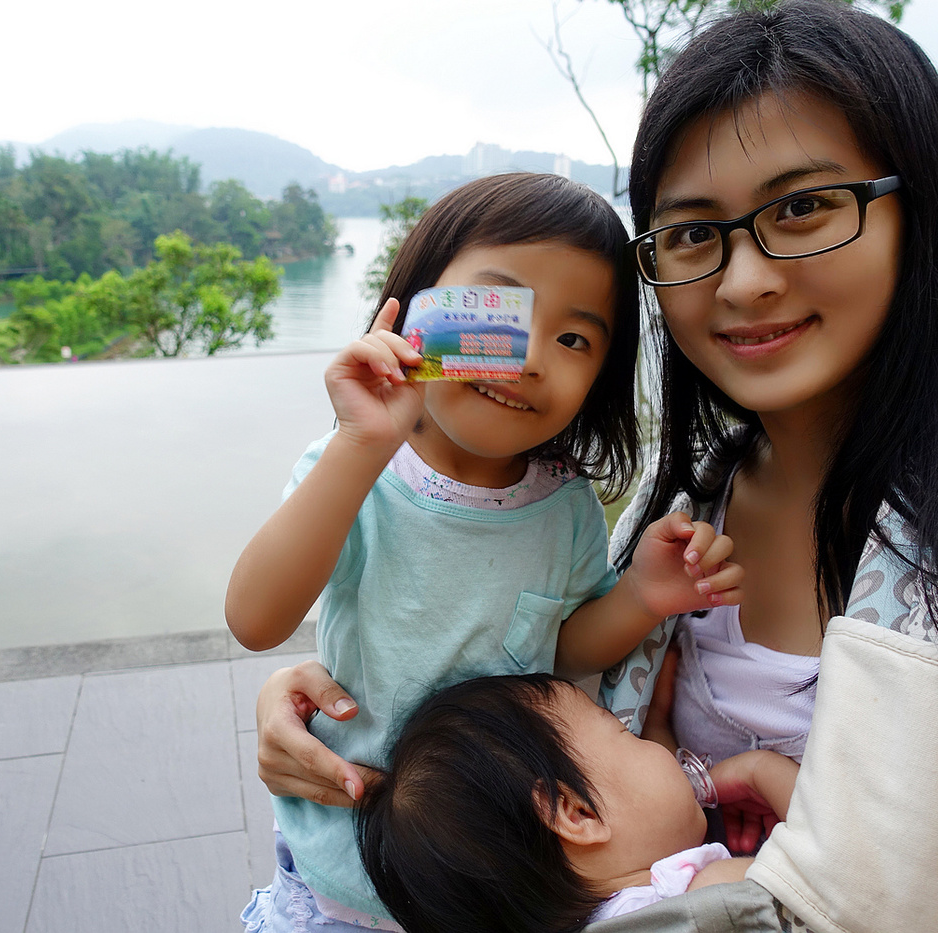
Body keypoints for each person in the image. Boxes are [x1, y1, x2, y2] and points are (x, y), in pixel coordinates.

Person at [251, 4, 938, 932]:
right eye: (694, 233)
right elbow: (541, 681)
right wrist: (352, 690)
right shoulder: (688, 502)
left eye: (804, 207)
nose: (742, 281)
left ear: (922, 207)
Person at [226, 172, 742, 931]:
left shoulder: (564, 505)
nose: (531, 357)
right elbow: (255, 618)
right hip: (339, 876)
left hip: (495, 885)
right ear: (413, 309)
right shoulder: (362, 473)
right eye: (496, 314)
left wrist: (642, 595)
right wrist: (359, 445)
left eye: (574, 339)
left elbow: (561, 653)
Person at [354, 673, 798, 933]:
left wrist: (661, 719)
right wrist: (762, 770)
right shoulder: (711, 899)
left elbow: (638, 802)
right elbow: (840, 859)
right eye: (627, 734)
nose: (658, 750)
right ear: (576, 814)